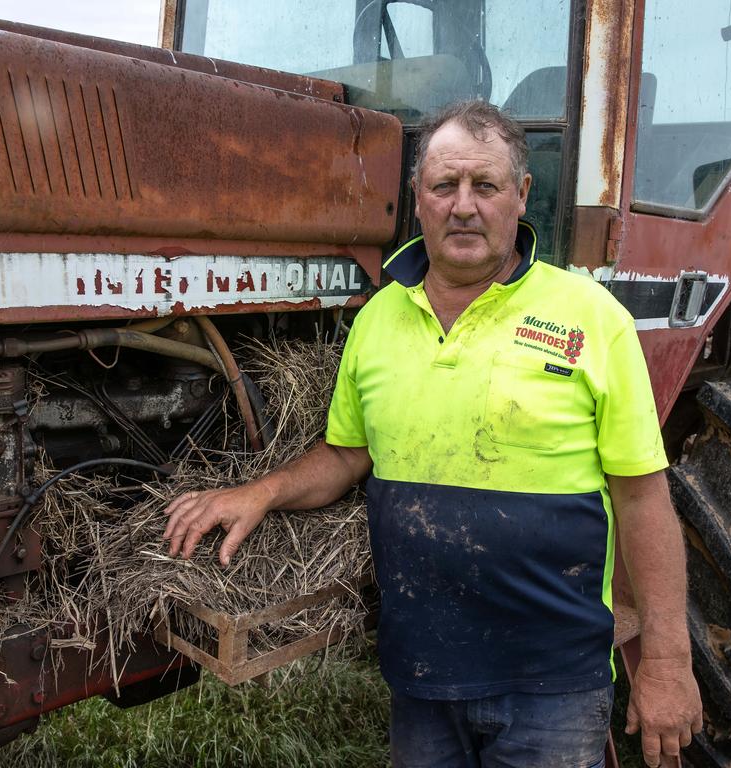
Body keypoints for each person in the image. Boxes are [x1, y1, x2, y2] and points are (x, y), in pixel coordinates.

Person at [163, 101, 702, 768]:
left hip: (553, 684)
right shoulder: (379, 319)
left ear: (521, 195)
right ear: (419, 198)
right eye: (445, 186)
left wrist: (668, 663)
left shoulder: (592, 318)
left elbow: (644, 499)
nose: (464, 206)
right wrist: (262, 492)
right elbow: (346, 453)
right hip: (421, 676)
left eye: (486, 186)